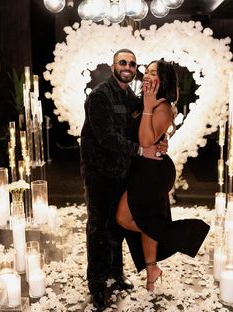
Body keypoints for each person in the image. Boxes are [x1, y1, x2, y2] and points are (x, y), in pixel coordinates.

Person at [80, 49, 168, 310]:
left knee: (116, 228)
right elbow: (106, 137)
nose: (127, 67)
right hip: (99, 172)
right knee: (98, 227)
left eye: (131, 64)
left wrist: (160, 141)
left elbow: (142, 128)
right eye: (122, 63)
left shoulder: (131, 96)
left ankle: (116, 275)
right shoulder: (98, 96)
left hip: (123, 172)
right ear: (113, 65)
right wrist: (141, 150)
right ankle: (96, 284)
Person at [116, 60, 210, 293]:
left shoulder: (163, 106)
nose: (147, 75)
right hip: (144, 167)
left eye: (153, 73)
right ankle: (152, 271)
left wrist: (149, 107)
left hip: (154, 172)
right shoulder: (143, 101)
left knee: (124, 218)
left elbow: (147, 141)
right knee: (148, 219)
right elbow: (142, 137)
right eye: (146, 71)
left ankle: (188, 234)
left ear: (164, 79)